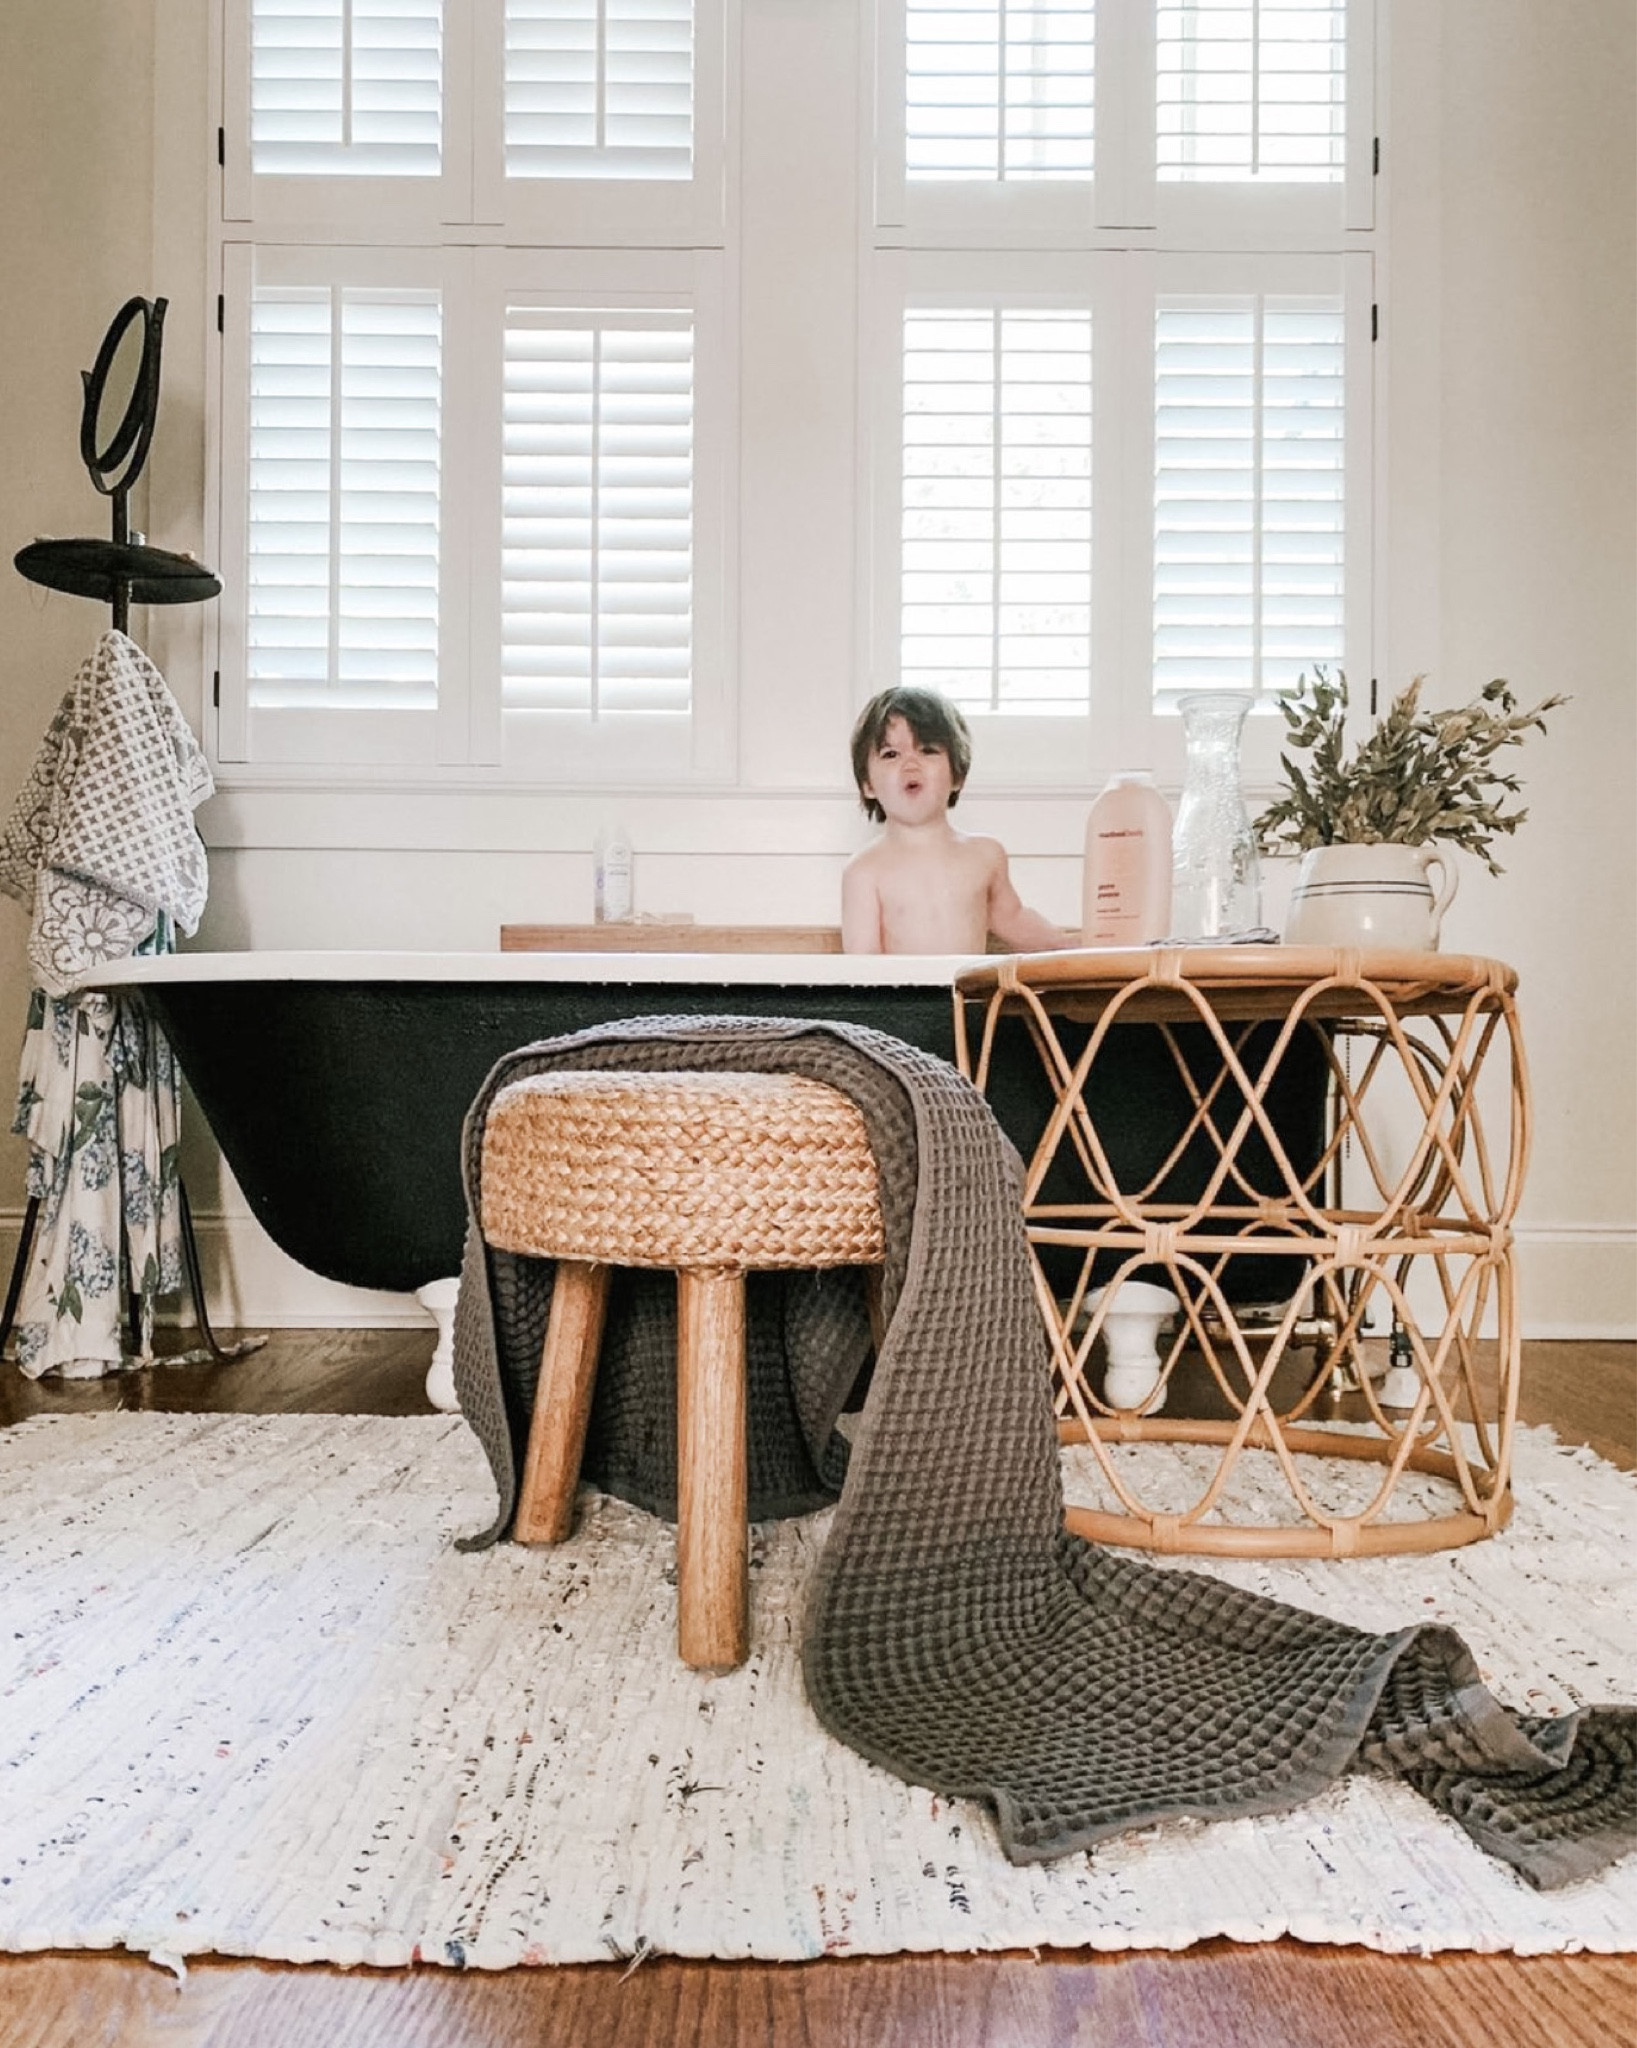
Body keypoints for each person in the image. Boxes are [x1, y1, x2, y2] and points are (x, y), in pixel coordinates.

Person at [841, 686, 1073, 955]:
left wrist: (1069, 945)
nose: (911, 764)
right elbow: (862, 967)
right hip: (901, 997)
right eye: (891, 754)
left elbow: (1012, 918)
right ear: (868, 784)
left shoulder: (984, 855)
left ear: (958, 775)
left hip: (966, 996)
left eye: (927, 750)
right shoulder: (864, 870)